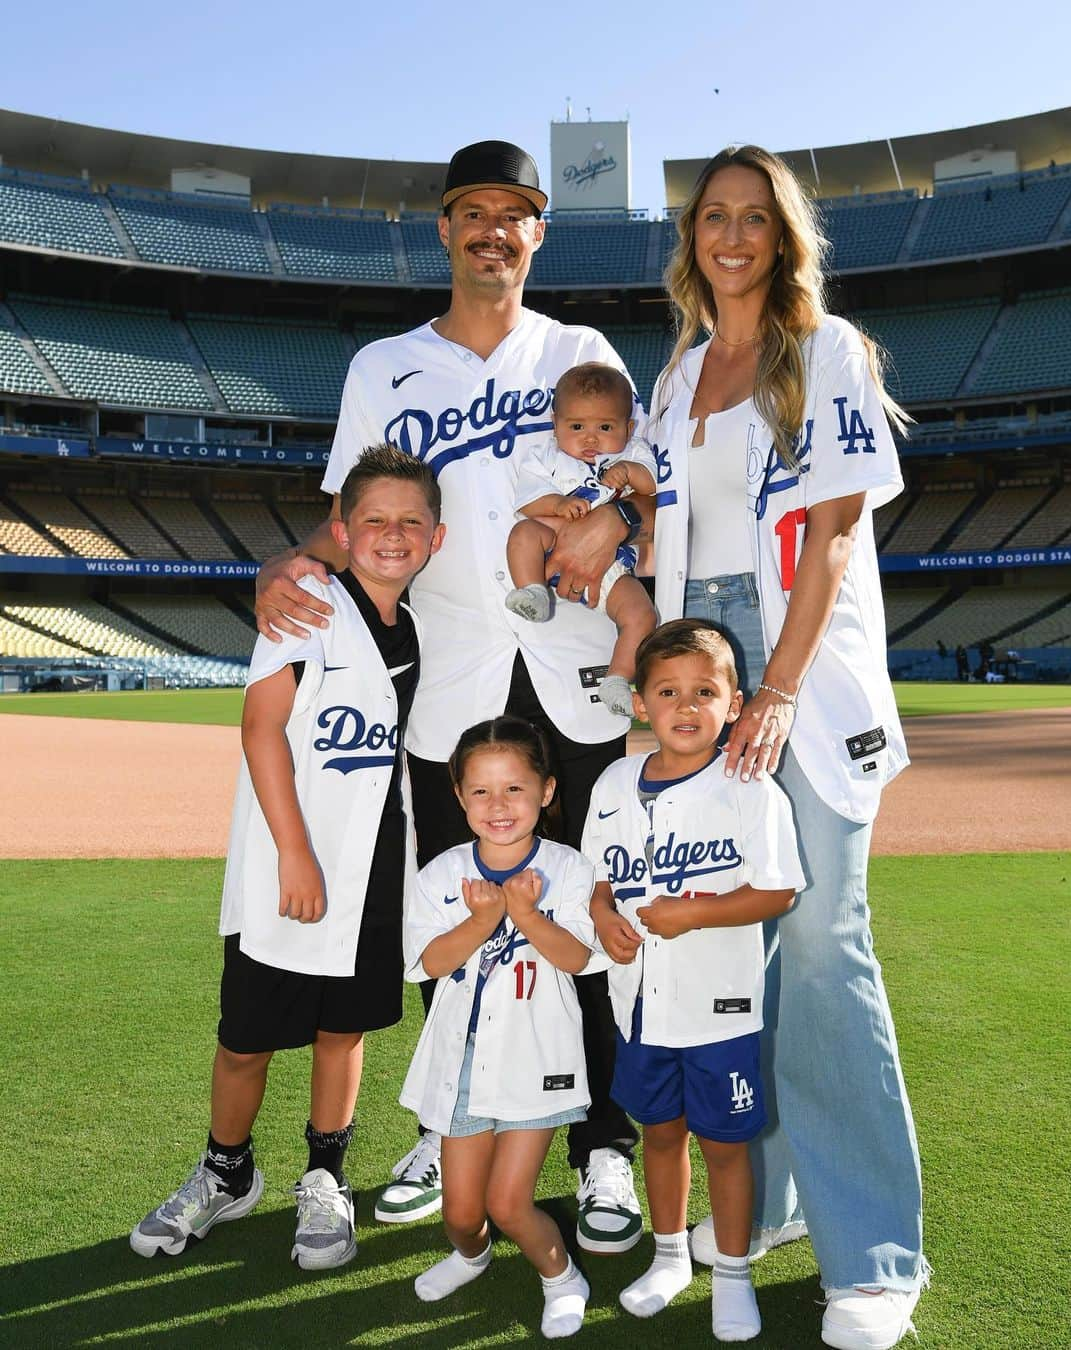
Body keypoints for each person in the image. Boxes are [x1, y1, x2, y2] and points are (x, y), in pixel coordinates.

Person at [253, 141, 644, 1253]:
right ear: (444, 230)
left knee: (588, 909)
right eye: (472, 213)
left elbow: (635, 480)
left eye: (513, 215)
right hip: (446, 685)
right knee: (459, 911)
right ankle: (452, 1125)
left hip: (576, 677)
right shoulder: (386, 363)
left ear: (538, 233)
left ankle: (601, 1140)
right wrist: (285, 562)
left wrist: (613, 520)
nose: (492, 231)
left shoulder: (579, 349)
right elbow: (354, 515)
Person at [649, 145, 928, 1350]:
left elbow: (825, 537)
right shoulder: (674, 376)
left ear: (784, 233)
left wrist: (775, 686)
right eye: (714, 215)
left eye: (755, 217)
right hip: (699, 658)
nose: (732, 235)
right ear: (692, 235)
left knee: (821, 945)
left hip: (791, 665)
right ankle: (767, 1198)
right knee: (738, 945)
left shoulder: (829, 351)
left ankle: (875, 1252)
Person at [130, 446, 444, 1268]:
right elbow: (262, 727)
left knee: (343, 1032)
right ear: (341, 530)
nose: (393, 534)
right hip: (289, 863)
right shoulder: (305, 603)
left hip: (373, 864)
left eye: (412, 521)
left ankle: (325, 1178)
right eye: (374, 519)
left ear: (436, 540)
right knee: (246, 1038)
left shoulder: (415, 626)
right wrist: (297, 853)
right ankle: (225, 1171)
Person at [583, 620, 803, 1341]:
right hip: (639, 1009)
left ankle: (734, 1274)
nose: (686, 706)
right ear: (641, 703)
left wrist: (694, 914)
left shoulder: (748, 785)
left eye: (704, 692)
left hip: (720, 1010)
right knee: (660, 1133)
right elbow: (598, 879)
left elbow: (776, 892)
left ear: (734, 703)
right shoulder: (615, 782)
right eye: (668, 691)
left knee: (725, 1144)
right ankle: (671, 1256)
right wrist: (603, 915)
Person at [400, 717, 595, 1339]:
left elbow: (577, 958)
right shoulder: (441, 873)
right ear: (458, 797)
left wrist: (523, 913)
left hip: (535, 1058)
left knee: (508, 1202)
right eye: (480, 791)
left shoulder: (567, 868)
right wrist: (482, 921)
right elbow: (425, 964)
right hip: (463, 1060)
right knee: (461, 1213)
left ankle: (561, 1275)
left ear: (546, 791)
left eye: (515, 788)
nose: (498, 805)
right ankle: (470, 1256)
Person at [506, 361, 658, 716]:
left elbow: (653, 488)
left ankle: (618, 680)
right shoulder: (546, 457)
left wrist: (630, 472)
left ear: (628, 426)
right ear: (555, 425)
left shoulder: (632, 451)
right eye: (576, 426)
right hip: (552, 543)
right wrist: (558, 504)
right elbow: (527, 502)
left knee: (642, 617)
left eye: (605, 426)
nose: (591, 438)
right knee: (523, 534)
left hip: (611, 562)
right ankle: (533, 591)